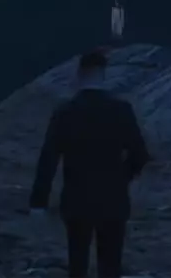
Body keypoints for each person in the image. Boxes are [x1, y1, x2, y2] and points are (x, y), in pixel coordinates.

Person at [28, 49, 150, 278]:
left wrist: (38, 202)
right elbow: (140, 154)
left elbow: (48, 159)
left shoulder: (65, 112)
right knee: (110, 266)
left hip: (76, 199)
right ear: (103, 74)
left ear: (79, 74)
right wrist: (121, 178)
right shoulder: (121, 110)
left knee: (78, 264)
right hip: (113, 199)